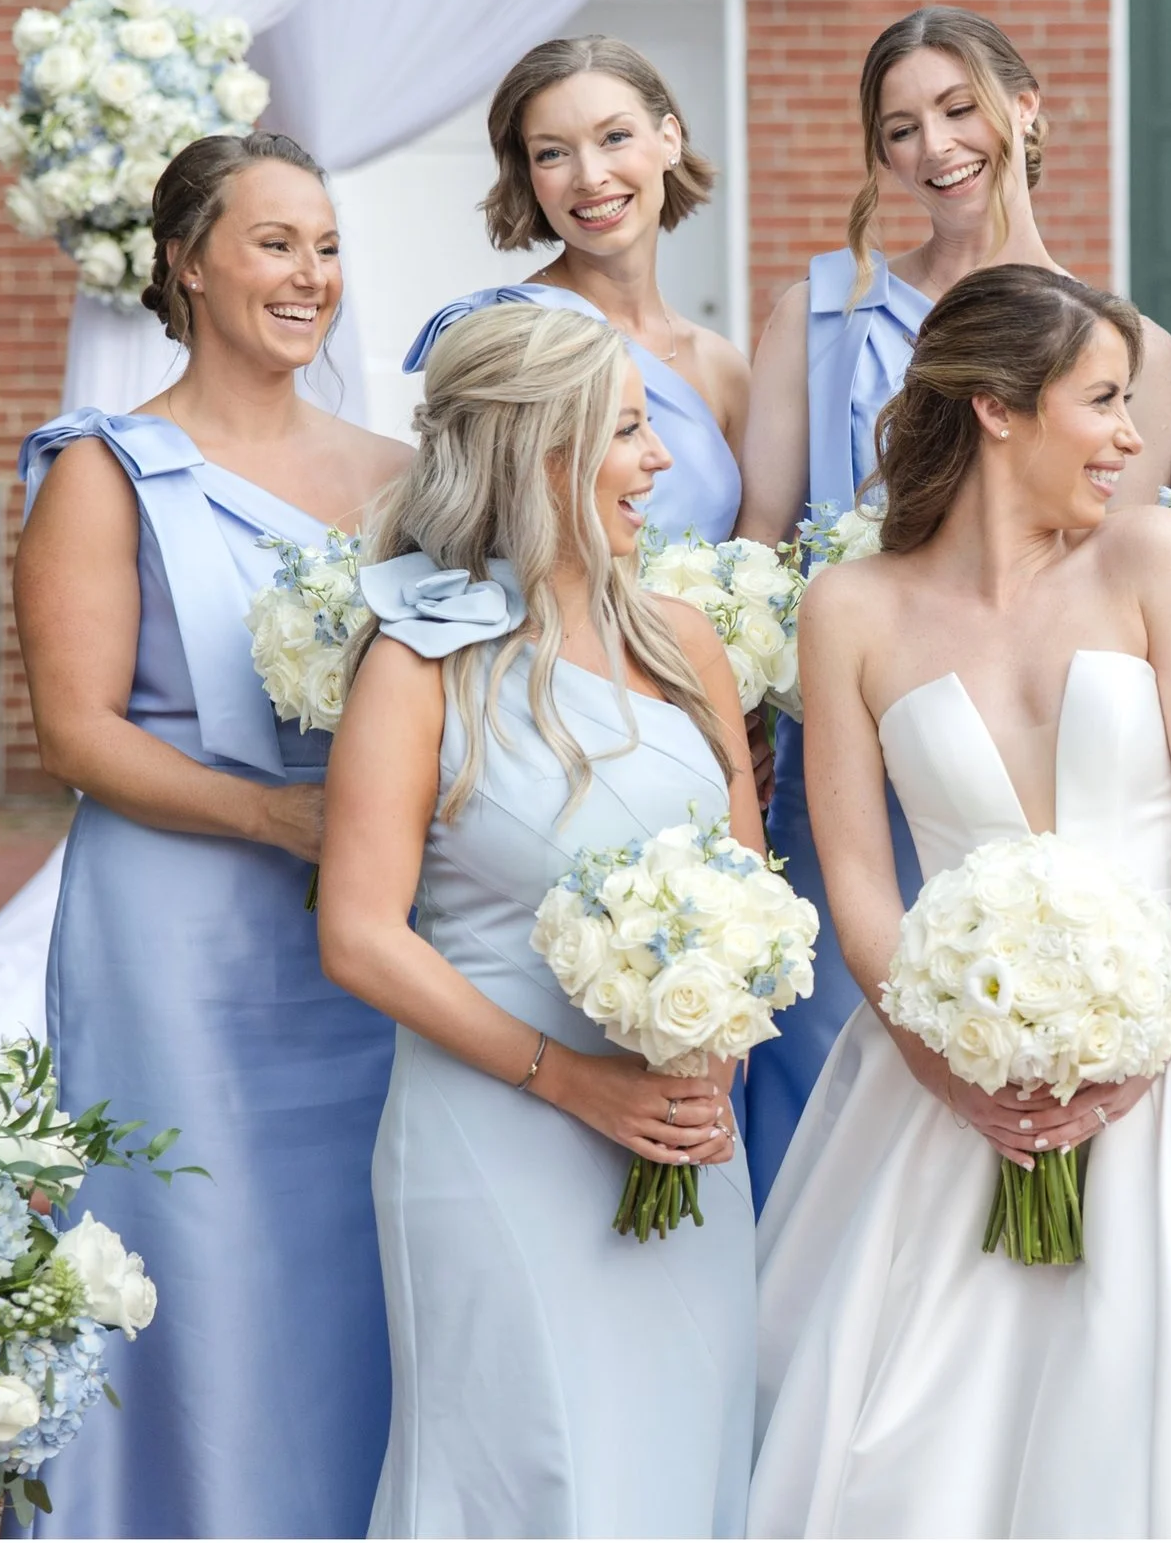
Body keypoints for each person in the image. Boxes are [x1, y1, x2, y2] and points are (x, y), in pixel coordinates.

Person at [750, 264, 1171, 1538]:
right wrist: (951, 1066)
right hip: (947, 1065)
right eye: (1105, 401)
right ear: (997, 410)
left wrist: (1137, 1047)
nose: (1135, 435)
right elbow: (856, 876)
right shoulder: (848, 606)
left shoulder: (1151, 554)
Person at [12, 131, 411, 1537]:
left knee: (365, 1249)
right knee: (199, 1245)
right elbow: (77, 731)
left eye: (327, 246)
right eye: (274, 243)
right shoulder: (103, 472)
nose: (311, 276)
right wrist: (280, 813)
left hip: (365, 941)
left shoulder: (404, 473)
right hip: (178, 936)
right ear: (187, 263)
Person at [319, 303, 758, 1537]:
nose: (659, 460)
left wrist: (713, 1036)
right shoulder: (420, 663)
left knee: (678, 1452)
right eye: (628, 429)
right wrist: (572, 1080)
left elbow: (750, 886)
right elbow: (358, 932)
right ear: (542, 452)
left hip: (682, 1129)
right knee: (529, 1472)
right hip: (494, 1135)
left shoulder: (684, 645)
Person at [733, 7, 1171, 1203]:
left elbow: (1094, 569)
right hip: (854, 739)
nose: (932, 146)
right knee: (843, 1079)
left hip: (1038, 763)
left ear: (1025, 109)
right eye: (898, 128)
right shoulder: (813, 316)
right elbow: (756, 547)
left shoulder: (1123, 345)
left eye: (956, 107)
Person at [402, 35, 746, 545]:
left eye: (614, 138)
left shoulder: (721, 366)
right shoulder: (513, 339)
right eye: (553, 153)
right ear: (529, 175)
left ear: (669, 139)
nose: (589, 177)